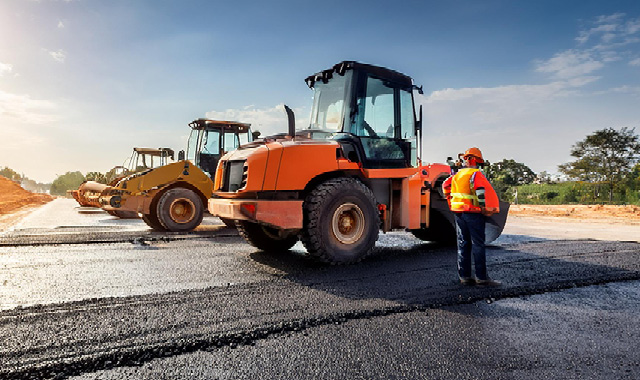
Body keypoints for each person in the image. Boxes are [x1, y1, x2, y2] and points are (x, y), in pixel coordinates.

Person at [442, 147, 501, 286]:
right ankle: (481, 277)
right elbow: (480, 191)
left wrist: (451, 202)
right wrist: (483, 207)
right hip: (473, 213)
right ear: (475, 160)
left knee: (463, 244)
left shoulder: (457, 175)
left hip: (459, 213)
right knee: (478, 244)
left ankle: (465, 276)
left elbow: (445, 186)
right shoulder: (475, 174)